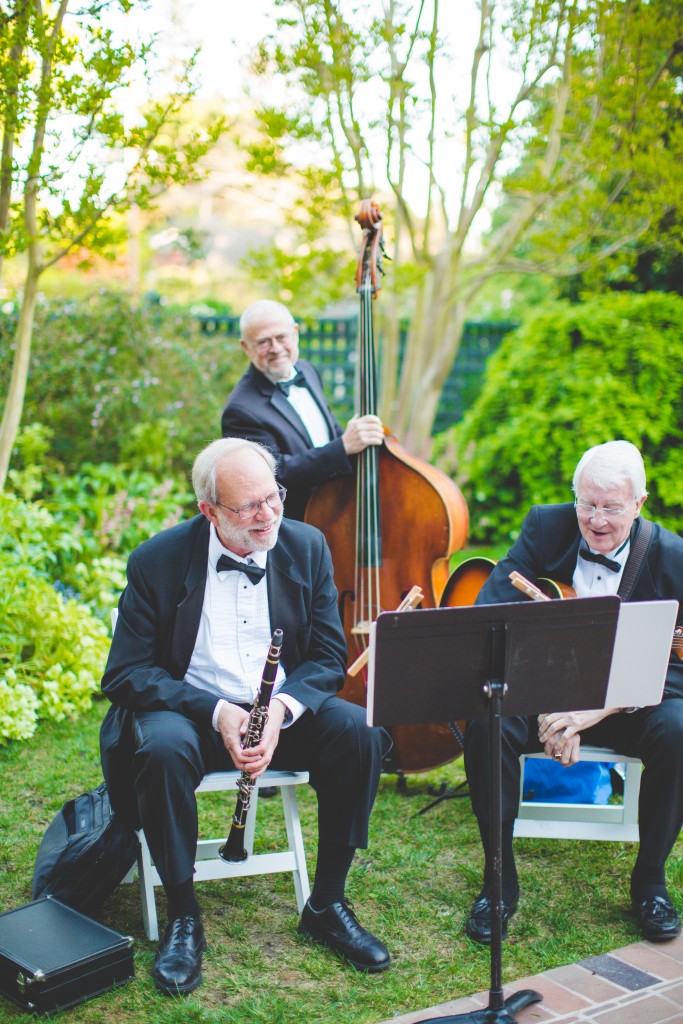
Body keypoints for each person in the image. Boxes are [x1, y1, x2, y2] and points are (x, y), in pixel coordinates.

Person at [99, 437, 391, 995]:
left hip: (278, 711)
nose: (269, 514)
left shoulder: (305, 545)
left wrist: (281, 709)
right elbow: (125, 674)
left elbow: (330, 658)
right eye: (249, 506)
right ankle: (184, 915)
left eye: (273, 496)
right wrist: (217, 713)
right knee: (159, 750)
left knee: (361, 732)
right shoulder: (156, 560)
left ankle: (327, 901)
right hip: (191, 714)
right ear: (209, 511)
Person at [463, 440, 683, 945]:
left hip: (626, 701)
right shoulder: (545, 525)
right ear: (574, 498)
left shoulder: (673, 558)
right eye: (587, 504)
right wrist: (555, 705)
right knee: (486, 717)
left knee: (678, 729)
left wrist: (589, 712)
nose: (597, 519)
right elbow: (490, 614)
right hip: (541, 689)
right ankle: (498, 881)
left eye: (612, 507)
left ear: (639, 504)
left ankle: (649, 880)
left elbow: (672, 670)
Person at [221, 300, 384, 521]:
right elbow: (276, 476)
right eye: (263, 342)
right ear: (246, 347)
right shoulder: (241, 410)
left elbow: (329, 431)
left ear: (295, 333)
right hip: (298, 524)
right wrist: (343, 447)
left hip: (339, 510)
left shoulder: (307, 370)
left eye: (281, 337)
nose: (276, 348)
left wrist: (354, 441)